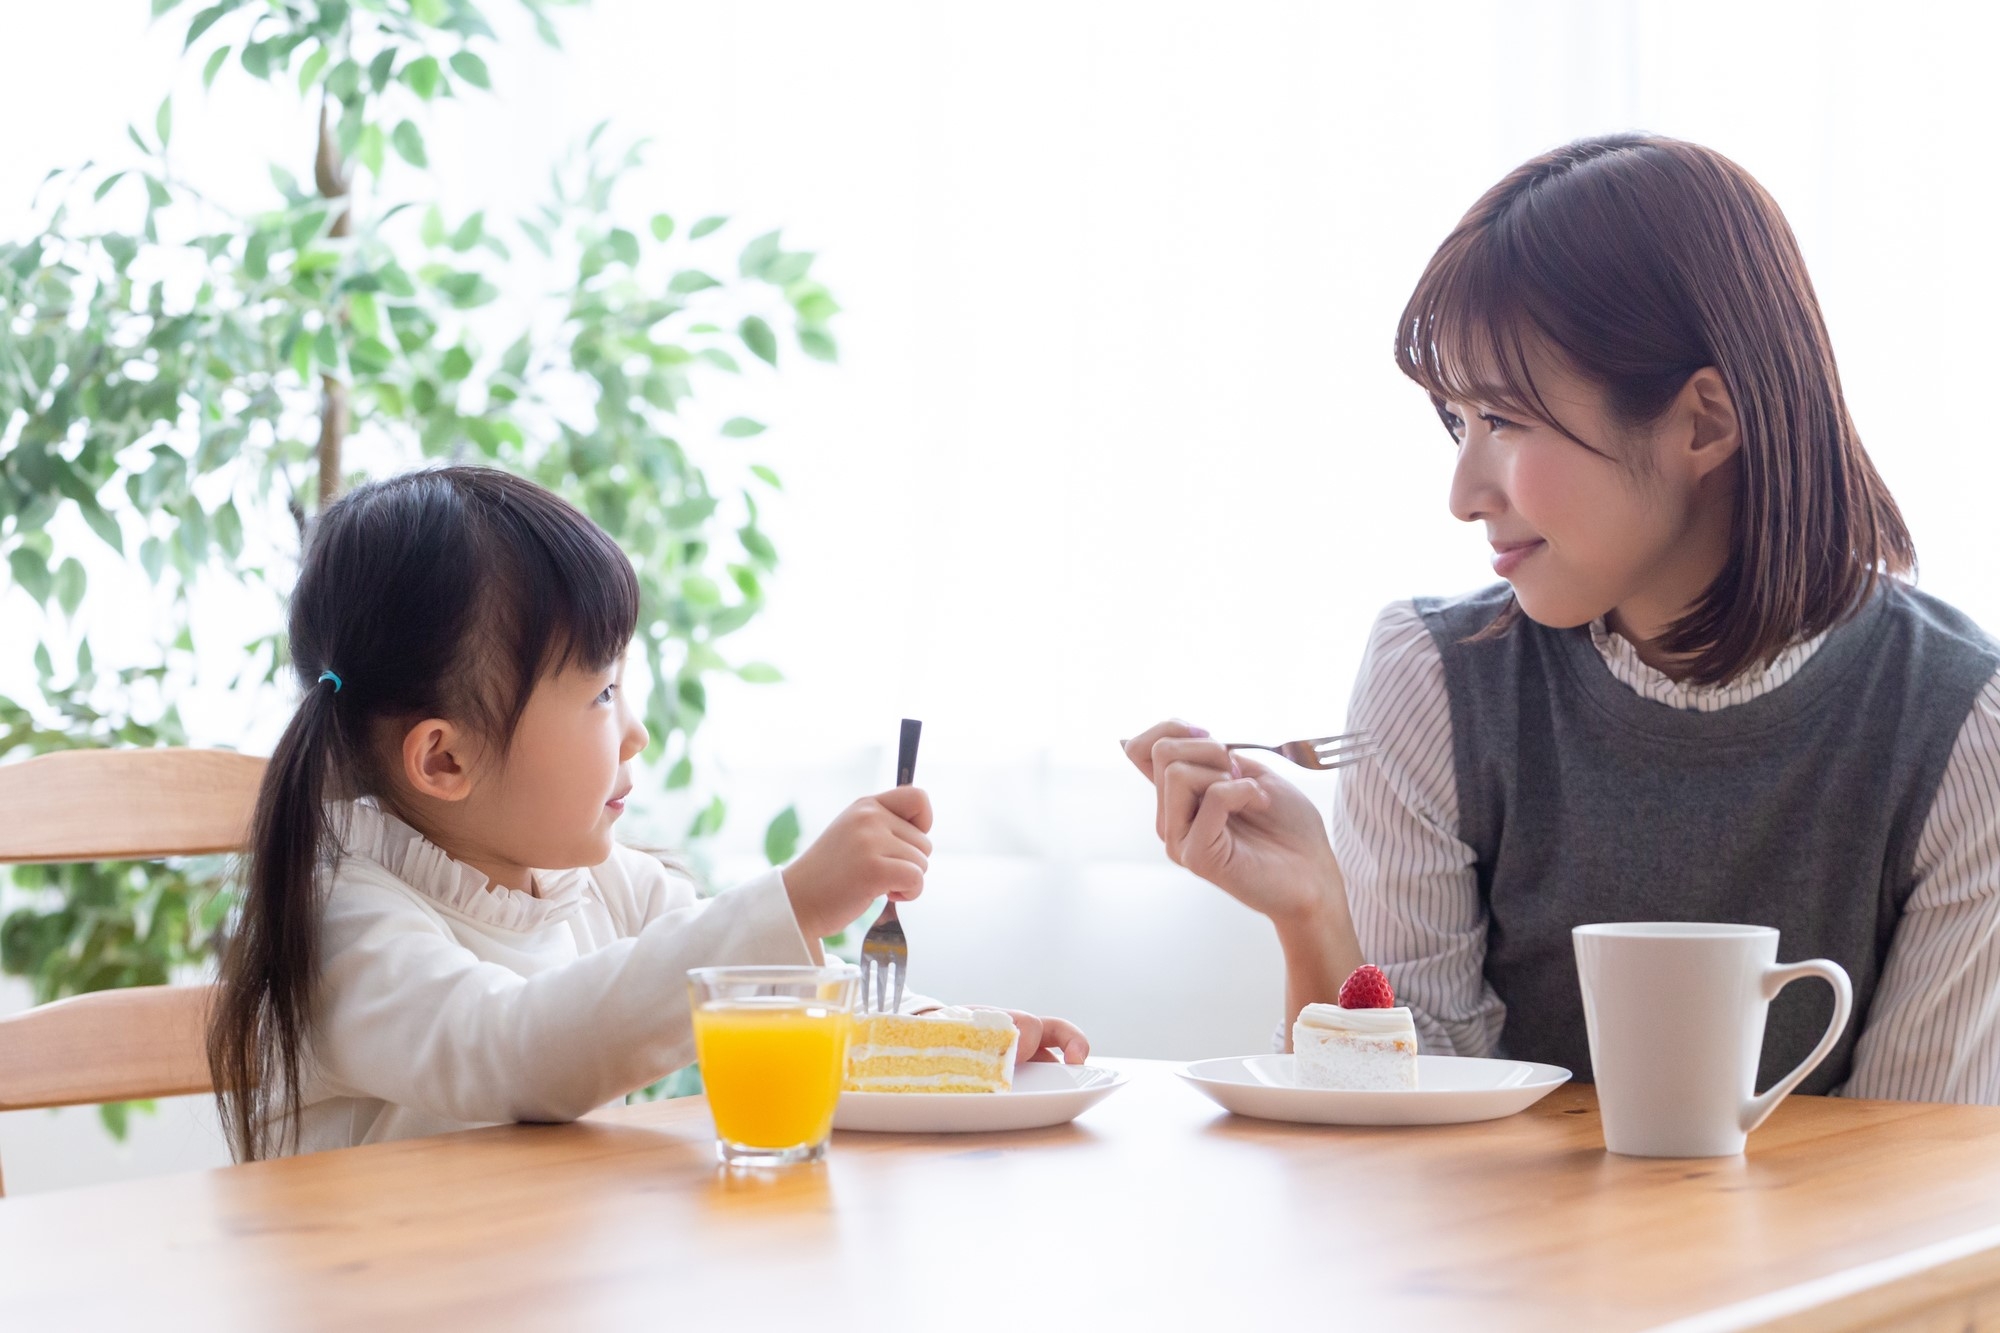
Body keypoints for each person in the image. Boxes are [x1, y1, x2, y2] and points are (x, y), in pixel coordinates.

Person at [1126, 134, 2000, 1101]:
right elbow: (1405, 1152)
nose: (1463, 493)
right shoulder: (1432, 680)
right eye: (1456, 424)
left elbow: (1920, 1167)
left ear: (1703, 422)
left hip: (1827, 1258)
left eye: (1502, 419)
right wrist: (1314, 914)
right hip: (1485, 1257)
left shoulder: (1965, 728)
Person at [209, 466, 1085, 1160]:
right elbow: (515, 1049)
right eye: (600, 693)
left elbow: (769, 998)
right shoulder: (345, 926)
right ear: (447, 758)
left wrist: (951, 1040)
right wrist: (794, 899)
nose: (635, 732)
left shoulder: (597, 881)